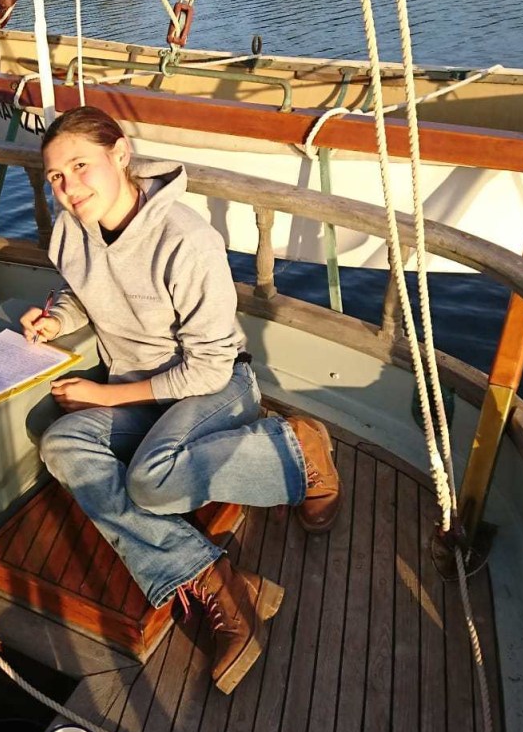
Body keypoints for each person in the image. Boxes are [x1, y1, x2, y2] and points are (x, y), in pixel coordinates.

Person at [20, 106, 341, 694]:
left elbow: (210, 364)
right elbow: (79, 290)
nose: (69, 187)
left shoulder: (187, 240)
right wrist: (55, 318)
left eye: (81, 166)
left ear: (120, 154)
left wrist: (106, 394)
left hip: (215, 387)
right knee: (61, 444)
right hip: (141, 392)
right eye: (56, 177)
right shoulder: (71, 229)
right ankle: (215, 579)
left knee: (151, 481)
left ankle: (298, 452)